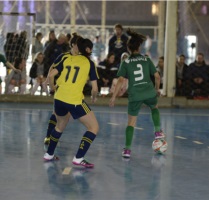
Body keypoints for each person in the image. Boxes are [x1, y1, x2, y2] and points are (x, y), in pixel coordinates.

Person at [43, 37, 99, 168]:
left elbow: (51, 75)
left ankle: (49, 154)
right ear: (89, 49)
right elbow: (95, 88)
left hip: (59, 97)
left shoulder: (67, 58)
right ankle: (79, 158)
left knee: (60, 125)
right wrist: (94, 96)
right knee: (94, 127)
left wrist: (52, 88)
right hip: (74, 100)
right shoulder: (89, 63)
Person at [109, 29, 165, 159]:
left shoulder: (126, 62)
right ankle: (157, 131)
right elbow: (157, 76)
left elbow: (121, 80)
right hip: (149, 91)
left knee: (131, 123)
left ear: (128, 48)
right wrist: (157, 90)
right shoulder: (146, 59)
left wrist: (113, 96)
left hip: (135, 95)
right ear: (139, 47)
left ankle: (127, 150)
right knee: (154, 108)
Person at [43, 33, 82, 145]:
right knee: (57, 114)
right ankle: (48, 137)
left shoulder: (81, 59)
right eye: (78, 45)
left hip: (73, 91)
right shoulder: (64, 56)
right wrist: (51, 84)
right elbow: (53, 67)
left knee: (65, 117)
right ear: (73, 45)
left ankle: (53, 137)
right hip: (62, 89)